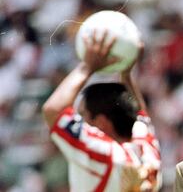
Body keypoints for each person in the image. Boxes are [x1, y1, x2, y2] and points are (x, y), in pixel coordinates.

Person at [42, 31, 161, 192]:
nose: (79, 119)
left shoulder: (105, 154)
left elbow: (52, 110)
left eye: (82, 115)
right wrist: (126, 73)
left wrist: (87, 66)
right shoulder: (147, 151)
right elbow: (140, 113)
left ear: (101, 122)